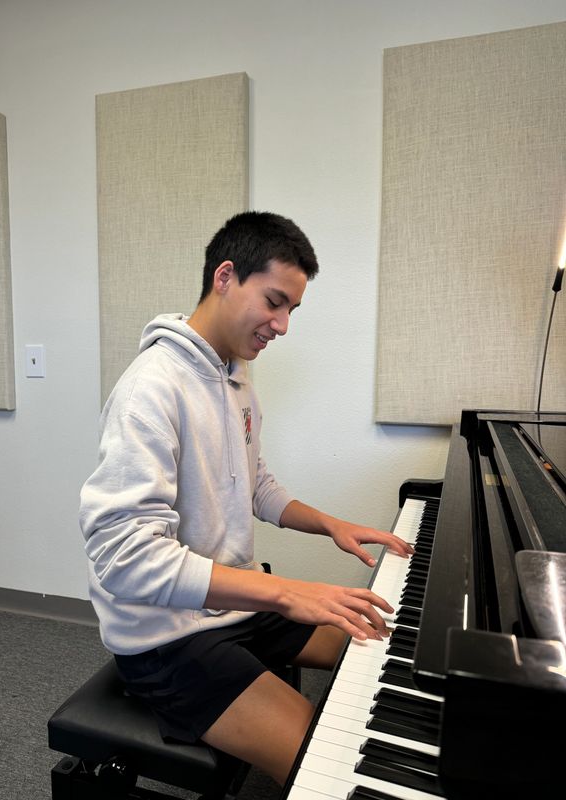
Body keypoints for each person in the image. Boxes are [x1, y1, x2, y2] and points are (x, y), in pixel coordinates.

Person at [79, 211, 413, 786]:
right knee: (329, 768)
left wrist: (331, 525)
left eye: (292, 310)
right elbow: (124, 559)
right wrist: (286, 592)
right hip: (166, 638)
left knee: (386, 644)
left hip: (234, 603)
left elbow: (255, 485)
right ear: (225, 277)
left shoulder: (236, 376)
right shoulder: (150, 390)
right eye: (275, 302)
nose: (282, 325)